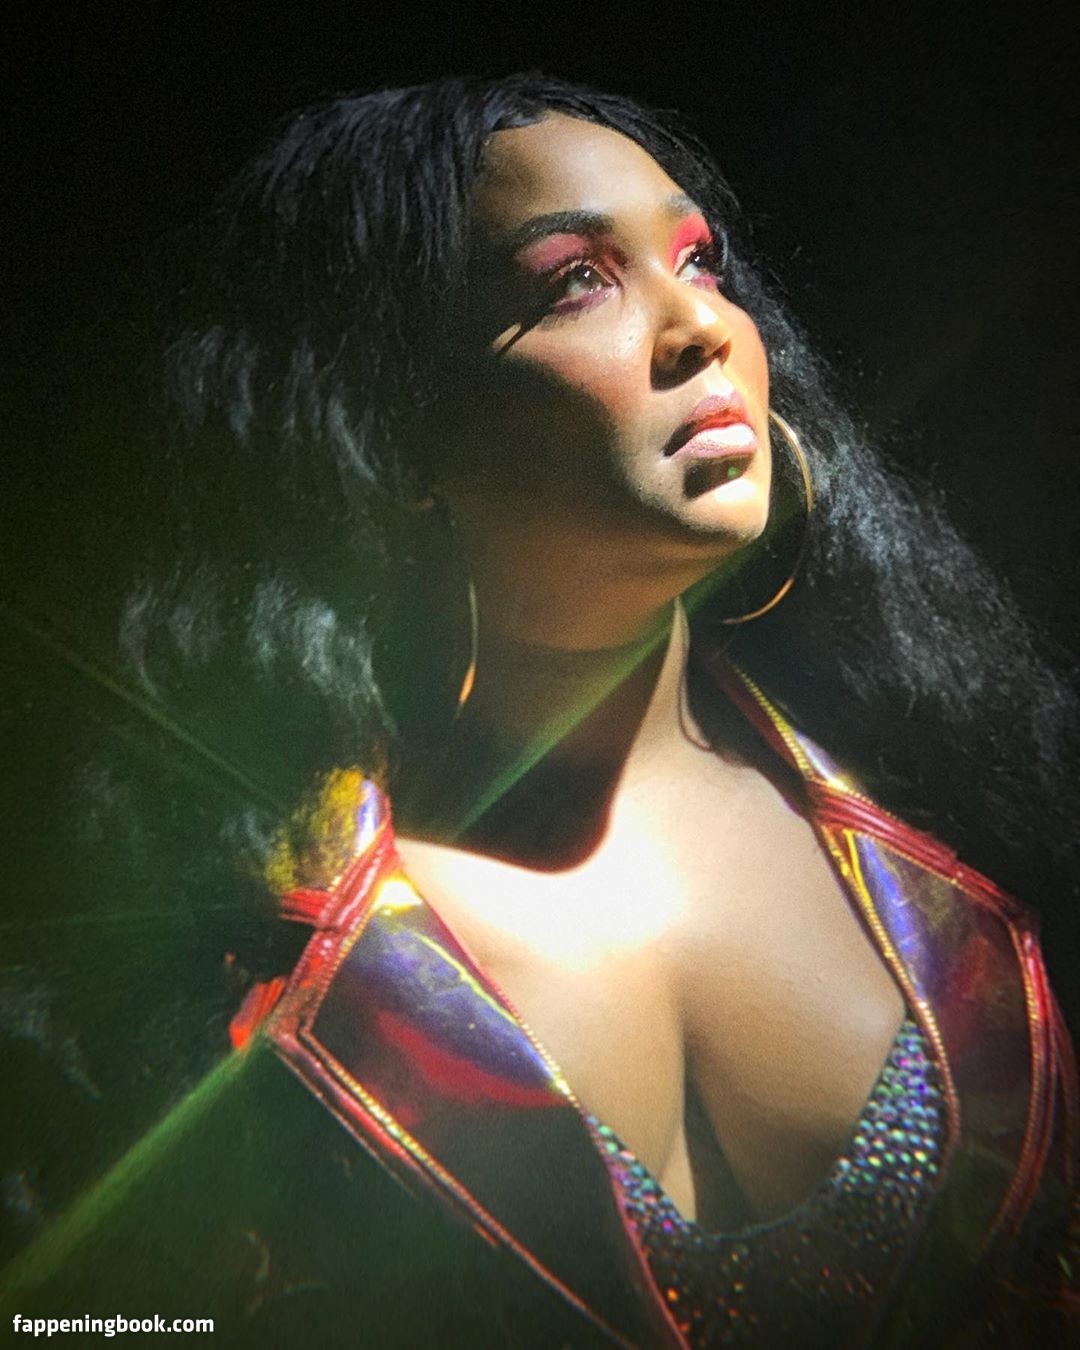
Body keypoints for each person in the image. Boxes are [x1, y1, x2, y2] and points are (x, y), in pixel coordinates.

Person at [2, 73, 1077, 1347]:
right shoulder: (227, 953)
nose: (701, 325)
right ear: (394, 430)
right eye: (576, 280)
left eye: (700, 260)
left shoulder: (958, 801)